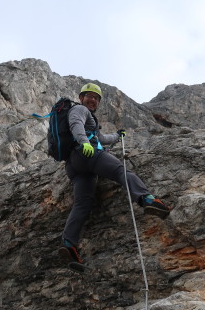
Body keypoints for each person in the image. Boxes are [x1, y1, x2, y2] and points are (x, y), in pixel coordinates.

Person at [59, 83, 170, 270]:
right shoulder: (78, 109)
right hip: (85, 153)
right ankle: (146, 199)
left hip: (74, 166)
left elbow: (102, 139)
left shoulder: (91, 119)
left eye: (96, 98)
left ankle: (69, 245)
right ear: (81, 98)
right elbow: (75, 124)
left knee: (83, 204)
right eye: (89, 96)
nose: (92, 100)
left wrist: (118, 136)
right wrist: (85, 143)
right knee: (120, 170)